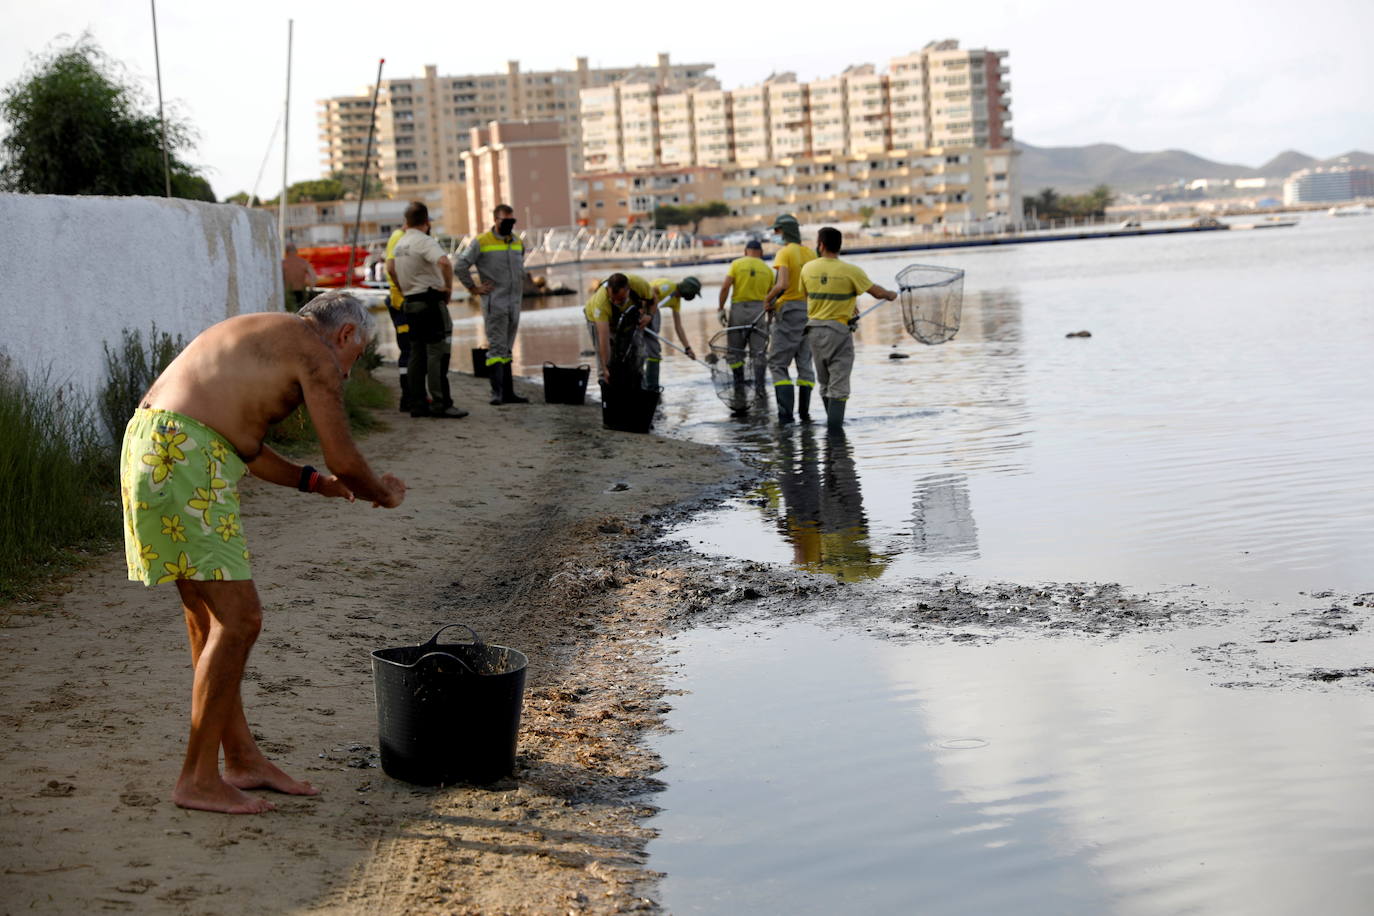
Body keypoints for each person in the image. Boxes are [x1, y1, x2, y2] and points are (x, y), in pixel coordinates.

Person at [118, 290, 407, 814]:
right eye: (355, 356)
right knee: (241, 619)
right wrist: (380, 493)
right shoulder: (315, 351)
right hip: (184, 457)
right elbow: (344, 457)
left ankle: (242, 759)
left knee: (210, 620)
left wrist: (315, 484)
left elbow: (243, 446)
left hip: (153, 444)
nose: (346, 373)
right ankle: (197, 779)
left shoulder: (269, 334)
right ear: (345, 334)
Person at [799, 226, 897, 429]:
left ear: (821, 245)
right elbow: (877, 293)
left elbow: (808, 296)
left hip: (814, 332)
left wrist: (844, 303)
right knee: (839, 385)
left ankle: (830, 428)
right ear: (839, 246)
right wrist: (891, 294)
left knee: (825, 382)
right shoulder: (851, 271)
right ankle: (835, 434)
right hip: (838, 333)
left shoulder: (807, 269)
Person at [387, 201, 467, 419]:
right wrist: (448, 289)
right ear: (426, 221)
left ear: (406, 221)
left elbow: (390, 268)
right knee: (436, 353)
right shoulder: (424, 241)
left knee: (416, 353)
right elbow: (444, 262)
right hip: (429, 302)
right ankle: (441, 403)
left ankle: (417, 403)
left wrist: (402, 288)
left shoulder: (400, 244)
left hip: (410, 302)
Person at [453, 204, 530, 406]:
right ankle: (497, 393)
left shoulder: (516, 241)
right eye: (506, 221)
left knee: (507, 349)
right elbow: (460, 266)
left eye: (513, 221)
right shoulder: (482, 241)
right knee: (496, 348)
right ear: (496, 220)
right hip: (495, 304)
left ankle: (509, 393)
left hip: (514, 304)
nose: (510, 224)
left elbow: (520, 265)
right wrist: (473, 288)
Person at [763, 214, 817, 424]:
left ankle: (785, 418)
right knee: (804, 362)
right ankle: (805, 415)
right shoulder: (810, 253)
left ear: (784, 231)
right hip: (809, 311)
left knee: (777, 363)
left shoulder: (784, 253)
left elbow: (783, 284)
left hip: (789, 311)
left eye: (776, 231)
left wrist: (767, 299)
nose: (774, 235)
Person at [717, 239, 772, 400]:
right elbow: (772, 299)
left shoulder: (736, 264)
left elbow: (725, 287)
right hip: (759, 312)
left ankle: (738, 385)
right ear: (761, 253)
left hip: (738, 311)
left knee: (735, 351)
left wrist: (721, 308)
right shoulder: (768, 270)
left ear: (745, 251)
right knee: (759, 352)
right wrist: (770, 320)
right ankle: (760, 387)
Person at [584, 272, 655, 386]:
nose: (617, 302)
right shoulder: (601, 303)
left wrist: (650, 315)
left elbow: (653, 299)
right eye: (613, 299)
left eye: (621, 299)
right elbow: (604, 339)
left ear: (628, 290)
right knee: (606, 358)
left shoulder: (639, 285)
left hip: (627, 316)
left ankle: (638, 384)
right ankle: (605, 382)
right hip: (597, 320)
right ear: (608, 291)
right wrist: (605, 367)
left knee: (636, 351)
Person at [641, 276, 700, 389]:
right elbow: (652, 291)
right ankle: (650, 386)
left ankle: (651, 384)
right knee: (650, 348)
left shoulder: (676, 301)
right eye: (694, 294)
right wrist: (644, 313)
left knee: (653, 348)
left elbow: (678, 327)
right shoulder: (668, 286)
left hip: (652, 310)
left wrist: (687, 348)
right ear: (688, 290)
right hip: (645, 305)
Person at [380, 226, 414, 412]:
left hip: (399, 302)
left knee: (408, 350)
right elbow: (392, 267)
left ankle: (409, 396)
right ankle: (408, 397)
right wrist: (404, 289)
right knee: (409, 349)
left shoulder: (398, 237)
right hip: (401, 303)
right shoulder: (401, 237)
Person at [280, 243, 317, 311]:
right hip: (301, 292)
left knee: (289, 312)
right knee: (301, 312)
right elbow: (313, 276)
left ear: (286, 252)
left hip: (288, 293)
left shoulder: (283, 263)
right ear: (296, 251)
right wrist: (311, 289)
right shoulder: (303, 262)